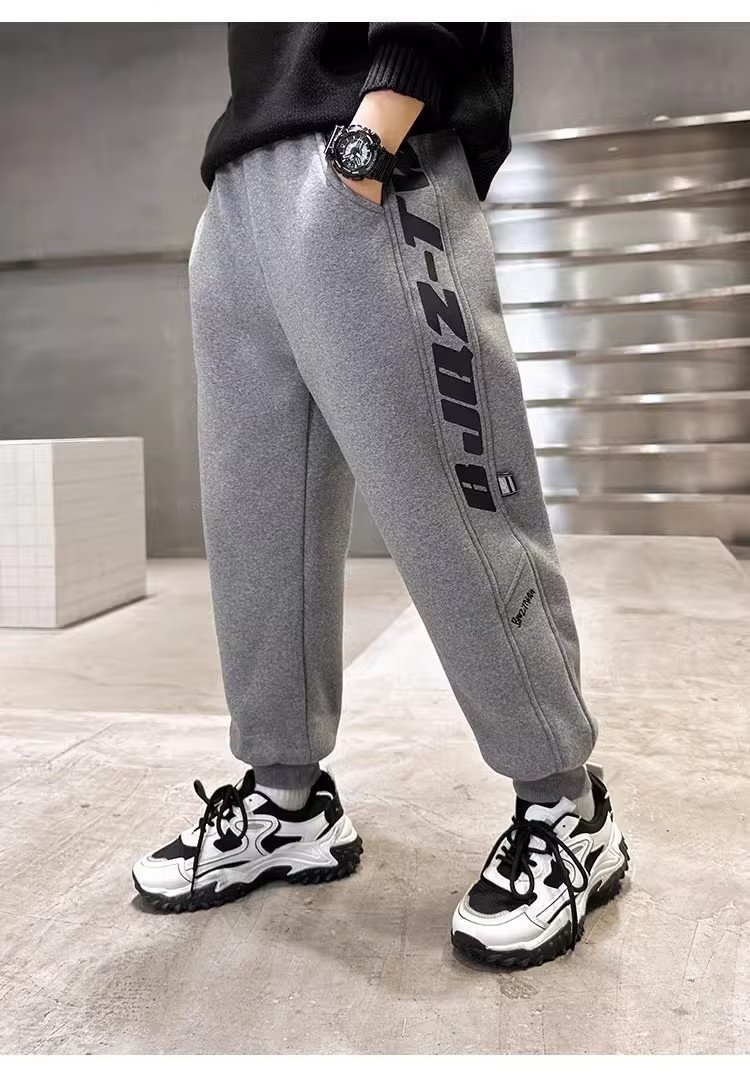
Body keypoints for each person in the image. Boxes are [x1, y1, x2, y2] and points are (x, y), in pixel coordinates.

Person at [132, 22, 629, 968]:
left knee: (451, 504)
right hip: (238, 188)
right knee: (256, 520)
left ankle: (568, 808)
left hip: (366, 156)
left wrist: (377, 127)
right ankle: (287, 801)